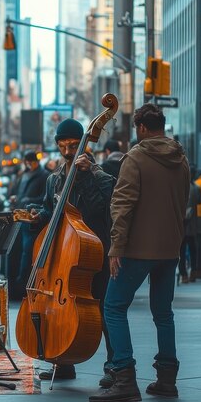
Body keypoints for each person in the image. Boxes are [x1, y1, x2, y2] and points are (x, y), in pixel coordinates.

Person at [89, 104, 190, 402]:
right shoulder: (181, 158)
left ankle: (124, 377)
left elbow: (122, 205)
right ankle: (166, 379)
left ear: (142, 128)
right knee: (163, 313)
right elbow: (183, 202)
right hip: (169, 249)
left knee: (114, 307)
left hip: (137, 249)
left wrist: (115, 247)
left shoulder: (136, 157)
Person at [29, 118, 116, 387]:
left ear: (84, 143)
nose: (68, 151)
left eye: (74, 145)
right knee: (58, 309)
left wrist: (87, 176)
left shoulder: (101, 176)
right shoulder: (54, 179)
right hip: (65, 251)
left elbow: (100, 211)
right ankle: (62, 362)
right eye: (63, 146)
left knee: (104, 310)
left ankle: (114, 367)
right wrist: (37, 215)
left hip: (92, 251)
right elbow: (50, 211)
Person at [7, 150, 49, 300]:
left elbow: (45, 199)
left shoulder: (44, 175)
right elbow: (13, 191)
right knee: (13, 253)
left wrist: (27, 200)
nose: (29, 165)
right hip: (18, 218)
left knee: (27, 254)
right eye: (27, 162)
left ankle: (23, 286)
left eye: (31, 162)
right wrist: (13, 198)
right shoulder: (21, 175)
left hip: (30, 221)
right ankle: (13, 288)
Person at [179, 166, 201, 283]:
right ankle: (193, 272)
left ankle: (183, 274)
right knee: (193, 250)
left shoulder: (179, 188)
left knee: (181, 251)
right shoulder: (196, 188)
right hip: (192, 224)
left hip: (181, 225)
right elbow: (200, 201)